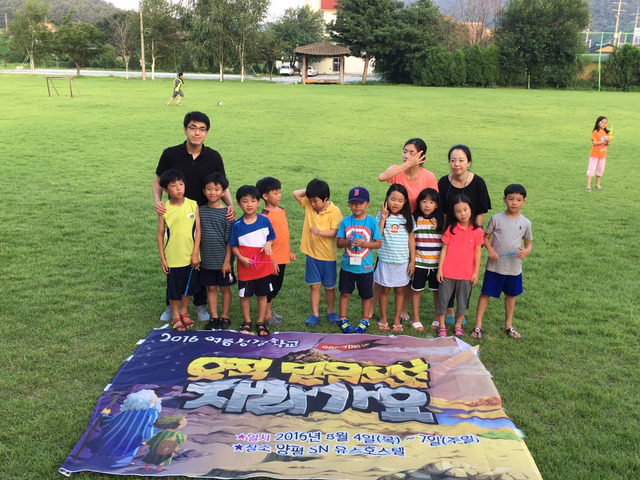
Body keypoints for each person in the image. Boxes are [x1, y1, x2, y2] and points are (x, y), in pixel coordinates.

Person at [153, 111, 234, 323]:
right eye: (193, 128)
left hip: (205, 213)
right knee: (175, 259)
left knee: (199, 260)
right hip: (177, 214)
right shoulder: (171, 154)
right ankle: (172, 305)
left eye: (202, 129)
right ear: (185, 129)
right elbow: (158, 181)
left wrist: (231, 205)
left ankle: (200, 303)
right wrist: (158, 202)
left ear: (207, 133)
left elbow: (222, 185)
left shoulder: (213, 157)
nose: (197, 133)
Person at [376, 138, 438, 322]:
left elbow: (433, 200)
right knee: (382, 263)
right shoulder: (397, 169)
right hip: (393, 221)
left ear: (421, 156)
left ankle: (403, 310)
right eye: (405, 151)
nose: (407, 155)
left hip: (414, 225)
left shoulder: (428, 177)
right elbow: (381, 177)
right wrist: (406, 165)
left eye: (412, 153)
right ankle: (371, 307)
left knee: (410, 267)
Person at [437, 145, 491, 325]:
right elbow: (442, 210)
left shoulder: (478, 183)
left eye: (461, 160)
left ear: (468, 162)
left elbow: (482, 210)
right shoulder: (443, 182)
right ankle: (449, 309)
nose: (456, 164)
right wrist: (446, 231)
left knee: (466, 271)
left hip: (471, 234)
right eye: (453, 160)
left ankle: (462, 310)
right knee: (449, 270)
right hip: (450, 233)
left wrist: (475, 231)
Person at [473, 184, 533, 340]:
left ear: (523, 202)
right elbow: (485, 237)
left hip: (514, 268)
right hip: (495, 267)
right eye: (511, 199)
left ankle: (508, 325)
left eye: (518, 200)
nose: (514, 203)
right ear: (504, 200)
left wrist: (526, 251)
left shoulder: (526, 222)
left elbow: (529, 244)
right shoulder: (496, 218)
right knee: (486, 294)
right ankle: (478, 324)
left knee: (511, 296)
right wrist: (491, 250)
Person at [293, 179, 343, 327]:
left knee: (329, 287)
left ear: (325, 198)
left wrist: (319, 232)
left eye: (315, 201)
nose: (312, 204)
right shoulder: (309, 204)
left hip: (328, 257)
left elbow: (335, 232)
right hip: (311, 254)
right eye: (310, 200)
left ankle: (331, 312)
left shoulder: (335, 211)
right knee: (314, 286)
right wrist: (311, 192)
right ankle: (315, 314)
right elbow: (295, 193)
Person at [157, 169, 200, 331]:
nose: (179, 188)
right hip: (173, 257)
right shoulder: (164, 209)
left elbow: (198, 231)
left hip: (190, 256)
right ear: (166, 190)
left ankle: (184, 312)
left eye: (181, 184)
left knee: (188, 287)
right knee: (174, 288)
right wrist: (163, 258)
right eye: (173, 186)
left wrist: (195, 253)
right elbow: (160, 234)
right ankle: (175, 314)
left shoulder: (193, 204)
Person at [230, 185, 276, 337]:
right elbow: (233, 246)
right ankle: (247, 321)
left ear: (258, 202)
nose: (249, 204)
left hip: (263, 269)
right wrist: (241, 258)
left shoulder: (265, 221)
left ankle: (261, 322)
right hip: (245, 269)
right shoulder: (237, 225)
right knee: (245, 296)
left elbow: (272, 238)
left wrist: (268, 244)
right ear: (239, 203)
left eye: (253, 200)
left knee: (262, 295)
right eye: (245, 201)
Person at [435, 194, 484, 338]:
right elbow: (444, 250)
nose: (462, 214)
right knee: (443, 299)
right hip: (448, 272)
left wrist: (476, 272)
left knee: (462, 301)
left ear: (471, 209)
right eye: (458, 211)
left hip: (466, 273)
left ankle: (458, 325)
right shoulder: (451, 229)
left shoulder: (477, 231)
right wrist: (440, 269)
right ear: (453, 213)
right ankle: (442, 325)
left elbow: (478, 253)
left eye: (465, 209)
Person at [335, 187, 382, 334]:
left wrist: (364, 244)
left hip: (365, 268)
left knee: (366, 295)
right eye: (353, 203)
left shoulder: (372, 222)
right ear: (349, 204)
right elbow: (338, 243)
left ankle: (365, 320)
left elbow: (378, 244)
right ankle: (343, 319)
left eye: (360, 203)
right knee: (345, 293)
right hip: (347, 267)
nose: (357, 206)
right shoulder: (345, 222)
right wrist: (348, 241)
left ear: (367, 204)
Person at [374, 184, 415, 334]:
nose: (395, 203)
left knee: (399, 290)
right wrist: (383, 219)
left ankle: (397, 319)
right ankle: (383, 318)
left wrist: (412, 261)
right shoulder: (381, 215)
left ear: (405, 202)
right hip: (385, 260)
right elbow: (377, 235)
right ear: (387, 198)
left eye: (400, 200)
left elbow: (411, 241)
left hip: (402, 262)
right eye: (393, 199)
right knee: (384, 289)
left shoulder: (408, 218)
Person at [256, 177, 296, 328]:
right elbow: (265, 242)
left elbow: (284, 234)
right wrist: (271, 261)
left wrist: (289, 251)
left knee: (276, 286)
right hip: (273, 260)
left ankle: (269, 311)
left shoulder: (282, 211)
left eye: (279, 192)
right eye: (275, 193)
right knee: (271, 288)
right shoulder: (265, 217)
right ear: (265, 196)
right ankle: (266, 316)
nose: (279, 195)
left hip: (282, 257)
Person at [86, 390, 161, 468]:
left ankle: (99, 460)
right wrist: (149, 441)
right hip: (126, 449)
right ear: (152, 401)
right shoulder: (152, 412)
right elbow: (150, 427)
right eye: (156, 398)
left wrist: (104, 415)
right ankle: (119, 462)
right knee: (119, 461)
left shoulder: (125, 412)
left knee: (96, 460)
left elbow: (107, 424)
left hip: (105, 447)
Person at [199, 172, 235, 330]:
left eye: (216, 189)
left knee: (225, 288)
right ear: (203, 191)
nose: (212, 192)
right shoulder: (199, 211)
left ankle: (225, 317)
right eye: (209, 189)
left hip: (223, 260)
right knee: (211, 288)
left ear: (224, 192)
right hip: (207, 259)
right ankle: (214, 317)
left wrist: (227, 261)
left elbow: (229, 241)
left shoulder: (228, 214)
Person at [410, 188, 444, 332]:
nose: (427, 205)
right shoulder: (415, 219)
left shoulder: (441, 220)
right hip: (420, 263)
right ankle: (416, 319)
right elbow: (412, 241)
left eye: (431, 202)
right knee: (417, 291)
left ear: (436, 205)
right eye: (424, 201)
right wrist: (412, 261)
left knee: (437, 292)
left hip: (437, 265)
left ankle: (437, 318)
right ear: (419, 203)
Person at [586, 116, 611, 192]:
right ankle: (588, 186)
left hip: (602, 155)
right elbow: (594, 143)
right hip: (594, 154)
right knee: (591, 169)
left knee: (600, 170)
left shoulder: (607, 133)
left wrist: (607, 141)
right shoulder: (595, 132)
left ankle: (597, 185)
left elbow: (607, 144)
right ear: (598, 123)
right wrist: (602, 141)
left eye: (605, 123)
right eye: (602, 122)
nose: (604, 124)